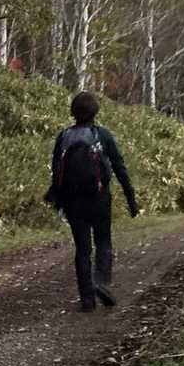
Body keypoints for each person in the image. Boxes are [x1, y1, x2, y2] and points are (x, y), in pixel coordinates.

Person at [45, 92, 139, 312]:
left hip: (72, 201)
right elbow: (119, 166)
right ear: (95, 112)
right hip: (99, 197)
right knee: (103, 241)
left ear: (73, 112)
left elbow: (56, 171)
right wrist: (130, 198)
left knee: (82, 249)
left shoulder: (64, 136)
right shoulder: (102, 135)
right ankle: (102, 281)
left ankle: (87, 300)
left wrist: (57, 199)